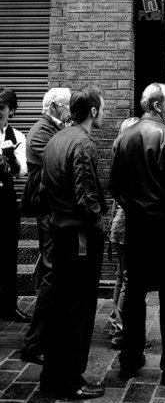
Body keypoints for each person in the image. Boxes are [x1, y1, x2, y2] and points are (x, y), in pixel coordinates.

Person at [109, 83, 165, 387]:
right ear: (158, 105)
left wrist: (133, 207)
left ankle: (129, 361)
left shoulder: (123, 137)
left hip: (135, 225)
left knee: (134, 293)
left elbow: (114, 186)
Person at [38, 85, 107, 400]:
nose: (103, 113)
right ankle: (71, 381)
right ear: (92, 111)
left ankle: (52, 377)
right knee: (78, 311)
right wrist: (99, 225)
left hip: (58, 231)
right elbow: (86, 198)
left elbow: (42, 192)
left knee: (59, 307)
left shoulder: (55, 139)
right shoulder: (83, 144)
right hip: (79, 237)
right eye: (102, 108)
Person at [19, 87, 72, 364]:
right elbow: (61, 163)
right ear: (53, 106)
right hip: (47, 210)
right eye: (66, 106)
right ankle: (34, 343)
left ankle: (48, 334)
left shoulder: (54, 129)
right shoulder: (41, 131)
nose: (70, 111)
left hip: (54, 210)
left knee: (56, 271)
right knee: (51, 273)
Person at [107, 116, 139, 349]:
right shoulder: (134, 163)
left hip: (118, 227)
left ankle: (115, 324)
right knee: (128, 278)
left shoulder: (118, 158)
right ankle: (121, 331)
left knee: (121, 276)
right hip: (128, 227)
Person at [0, 87, 29, 323]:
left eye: (2, 108)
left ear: (12, 111)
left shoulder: (18, 136)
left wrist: (9, 158)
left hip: (7, 202)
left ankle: (9, 305)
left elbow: (22, 172)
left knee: (9, 255)